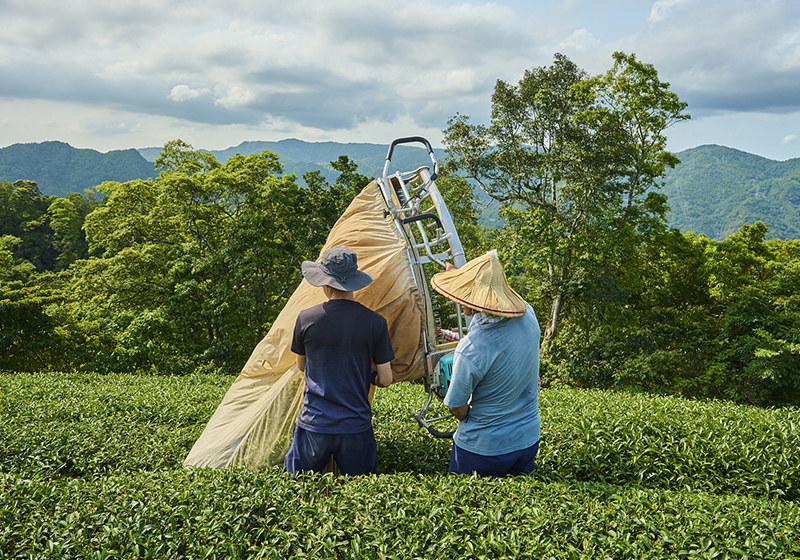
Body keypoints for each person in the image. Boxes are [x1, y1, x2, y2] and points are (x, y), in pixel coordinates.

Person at [285, 246, 395, 476]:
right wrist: (367, 374)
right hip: (355, 426)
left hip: (314, 423)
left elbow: (302, 366)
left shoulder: (306, 318)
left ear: (325, 284)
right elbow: (386, 379)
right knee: (360, 492)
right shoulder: (375, 323)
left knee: (297, 488)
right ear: (354, 282)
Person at [430, 250, 541, 477]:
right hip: (527, 440)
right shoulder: (529, 315)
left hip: (484, 449)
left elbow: (457, 407)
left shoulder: (472, 347)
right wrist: (458, 274)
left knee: (467, 498)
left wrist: (474, 420)